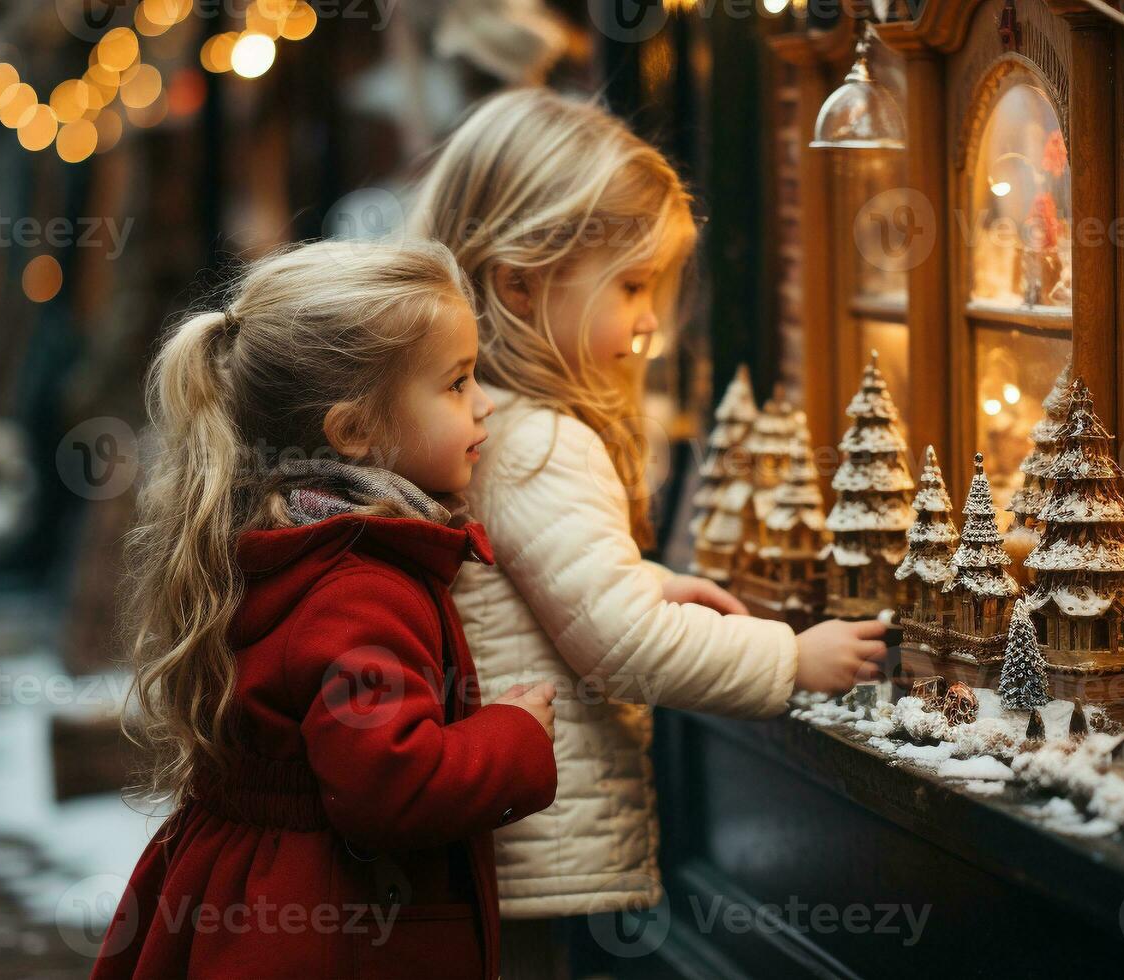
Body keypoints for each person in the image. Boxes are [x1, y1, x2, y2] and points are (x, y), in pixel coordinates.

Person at [411, 89, 888, 976]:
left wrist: (644, 578)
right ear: (518, 282)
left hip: (497, 836)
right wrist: (791, 660)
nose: (650, 324)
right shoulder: (540, 441)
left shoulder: (484, 424)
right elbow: (621, 647)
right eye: (630, 286)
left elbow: (537, 584)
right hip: (524, 836)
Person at [93, 240, 558, 980]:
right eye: (457, 383)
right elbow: (389, 787)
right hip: (328, 931)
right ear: (353, 432)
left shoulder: (289, 539)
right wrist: (516, 735)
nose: (485, 401)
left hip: (257, 901)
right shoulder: (356, 586)